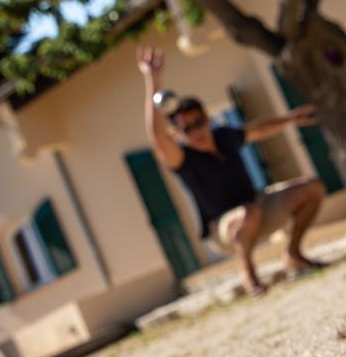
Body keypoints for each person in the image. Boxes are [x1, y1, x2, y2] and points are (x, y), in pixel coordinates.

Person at [137, 46, 326, 297]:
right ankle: (249, 276)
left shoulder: (225, 136)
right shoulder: (183, 158)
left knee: (313, 188)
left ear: (207, 117)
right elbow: (157, 136)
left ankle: (293, 254)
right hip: (223, 230)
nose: (196, 131)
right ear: (178, 134)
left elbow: (257, 130)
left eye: (198, 122)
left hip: (257, 207)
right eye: (187, 129)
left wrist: (290, 119)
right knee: (249, 213)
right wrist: (153, 80)